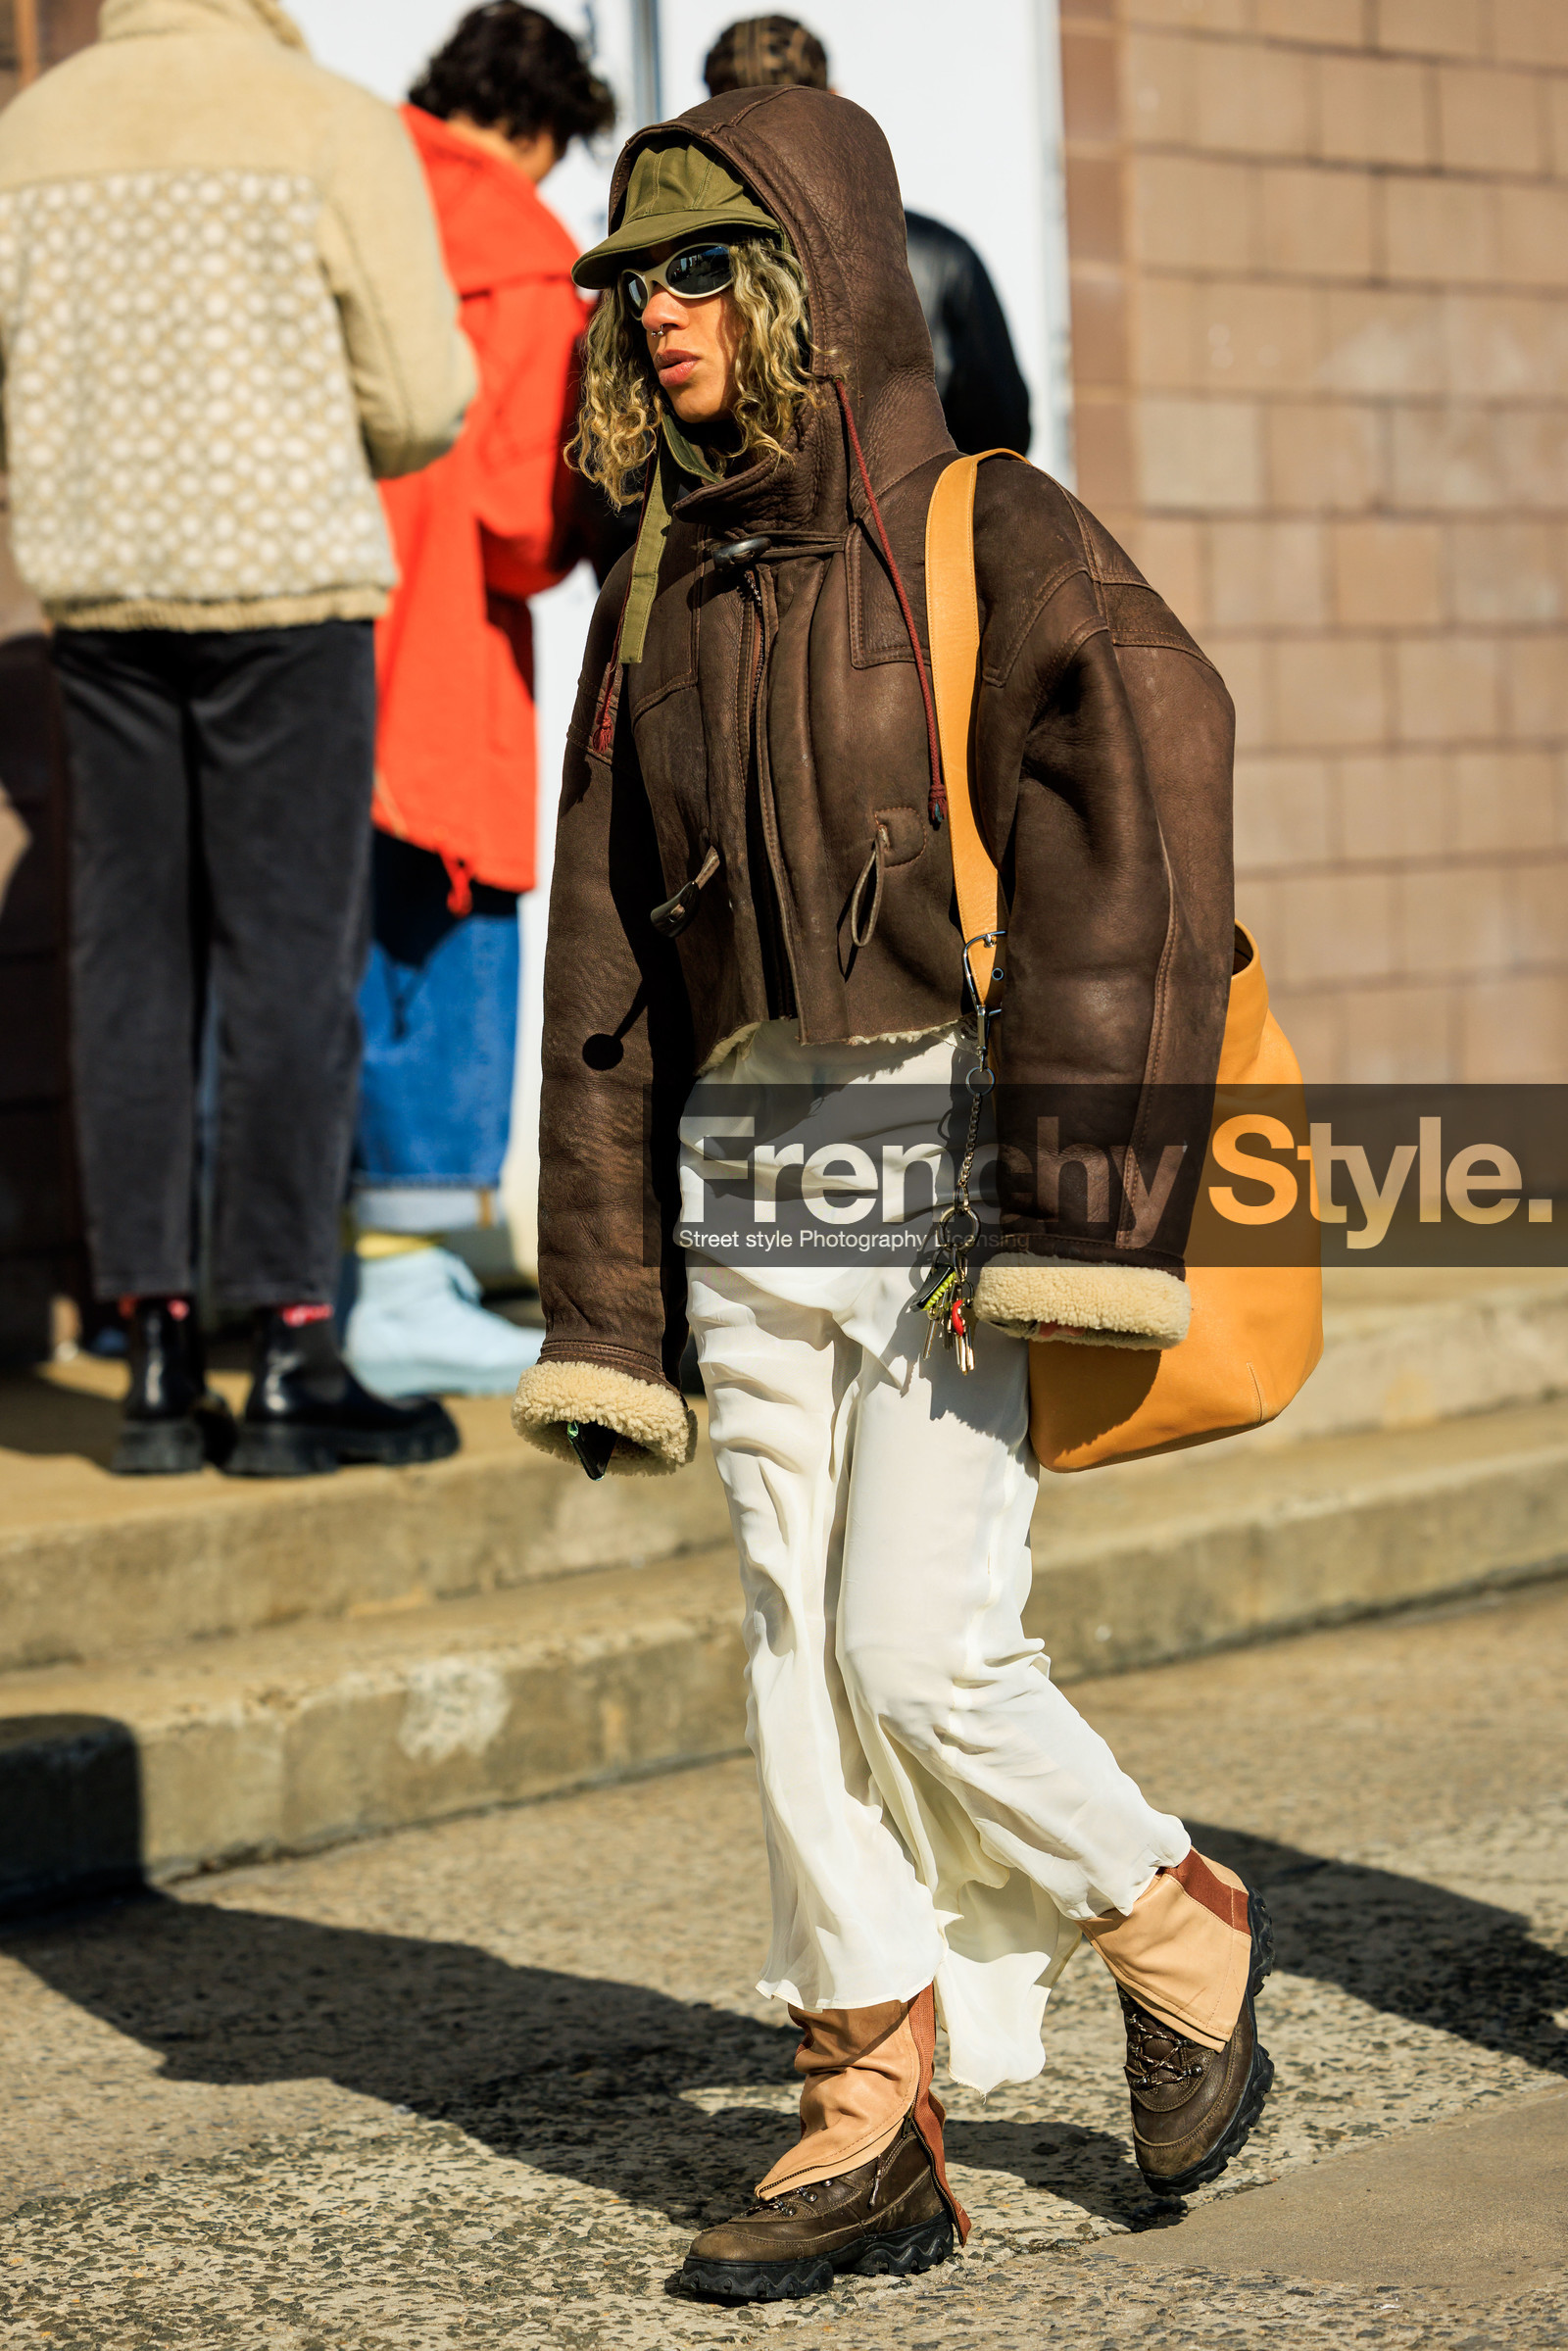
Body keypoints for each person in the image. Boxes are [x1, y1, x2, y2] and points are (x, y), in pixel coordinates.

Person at [512, 88, 1271, 2304]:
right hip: (747, 1162)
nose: (652, 316)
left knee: (910, 1645)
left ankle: (1171, 1924)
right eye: (628, 284)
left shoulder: (980, 525)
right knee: (783, 1637)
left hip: (943, 1141)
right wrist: (600, 1294)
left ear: (800, 283)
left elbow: (1150, 771)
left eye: (691, 274)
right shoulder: (649, 589)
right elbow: (601, 956)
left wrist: (1064, 1183)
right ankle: (863, 2099)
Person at [0, 0, 475, 1478]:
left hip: (99, 591)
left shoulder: (29, 133)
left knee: (124, 962)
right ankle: (286, 1346)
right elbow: (419, 395)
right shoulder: (324, 117)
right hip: (285, 587)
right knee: (287, 963)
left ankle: (149, 1359)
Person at [342, 3, 615, 1399]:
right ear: (536, 131)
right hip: (443, 648)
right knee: (441, 950)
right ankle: (407, 1283)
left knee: (304, 958)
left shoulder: (336, 182)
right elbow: (516, 516)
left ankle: (305, 1273)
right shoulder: (522, 252)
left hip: (301, 643)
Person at [702, 15, 1032, 456]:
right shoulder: (941, 257)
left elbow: (622, 482)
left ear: (708, 125)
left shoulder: (662, 268)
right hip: (913, 524)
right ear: (835, 104)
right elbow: (1003, 442)